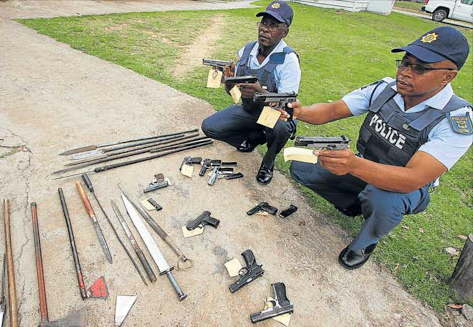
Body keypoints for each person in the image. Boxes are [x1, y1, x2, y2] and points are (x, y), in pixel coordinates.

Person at [281, 26, 472, 269]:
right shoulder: (385, 89)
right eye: (404, 63)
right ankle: (355, 205)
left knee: (382, 198)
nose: (405, 73)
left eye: (420, 68)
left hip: (405, 189)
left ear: (448, 76)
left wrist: (352, 164)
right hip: (366, 166)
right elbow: (332, 110)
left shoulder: (455, 119)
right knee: (302, 167)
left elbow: (412, 179)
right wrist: (301, 112)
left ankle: (365, 241)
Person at [201, 1, 301, 185]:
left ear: (284, 32)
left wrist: (260, 92)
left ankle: (268, 162)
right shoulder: (247, 50)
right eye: (263, 23)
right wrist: (227, 81)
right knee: (209, 126)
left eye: (273, 25)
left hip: (275, 114)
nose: (265, 29)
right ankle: (255, 137)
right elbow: (233, 91)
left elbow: (287, 104)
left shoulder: (288, 60)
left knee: (281, 127)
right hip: (249, 110)